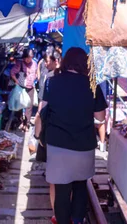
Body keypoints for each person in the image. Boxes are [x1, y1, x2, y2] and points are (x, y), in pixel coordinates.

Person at [34, 47, 107, 224]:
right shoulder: (92, 85)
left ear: (66, 61)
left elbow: (42, 110)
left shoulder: (52, 82)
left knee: (62, 191)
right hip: (83, 145)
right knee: (81, 186)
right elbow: (100, 117)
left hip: (58, 145)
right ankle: (77, 220)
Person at [10, 48, 38, 131]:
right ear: (24, 57)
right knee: (20, 105)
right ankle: (20, 121)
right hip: (22, 88)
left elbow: (36, 73)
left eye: (30, 57)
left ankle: (26, 123)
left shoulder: (35, 64)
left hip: (31, 87)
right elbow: (12, 73)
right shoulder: (20, 63)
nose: (28, 59)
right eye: (27, 58)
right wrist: (17, 81)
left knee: (29, 106)